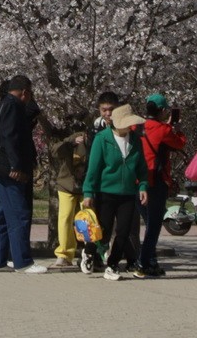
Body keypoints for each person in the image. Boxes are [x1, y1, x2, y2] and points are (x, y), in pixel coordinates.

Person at [0, 74, 46, 274]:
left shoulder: (1, 105)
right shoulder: (13, 106)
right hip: (7, 169)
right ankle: (23, 261)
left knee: (1, 215)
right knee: (19, 213)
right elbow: (10, 137)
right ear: (25, 93)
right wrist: (16, 166)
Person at [82, 104, 149, 280]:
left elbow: (142, 167)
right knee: (102, 230)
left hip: (127, 193)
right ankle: (89, 251)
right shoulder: (102, 139)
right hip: (105, 192)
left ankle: (112, 265)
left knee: (124, 230)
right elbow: (93, 168)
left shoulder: (135, 140)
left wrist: (142, 186)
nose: (131, 126)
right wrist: (88, 192)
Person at [138, 93, 187, 277]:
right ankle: (145, 261)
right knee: (154, 224)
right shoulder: (164, 130)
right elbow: (180, 143)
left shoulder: (137, 127)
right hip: (156, 181)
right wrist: (178, 129)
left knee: (148, 220)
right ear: (162, 111)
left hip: (137, 180)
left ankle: (147, 259)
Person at [49, 123, 88, 268]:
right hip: (67, 185)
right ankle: (64, 254)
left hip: (87, 187)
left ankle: (89, 252)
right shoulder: (75, 139)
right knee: (65, 218)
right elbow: (55, 151)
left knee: (87, 219)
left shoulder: (99, 141)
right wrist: (70, 142)